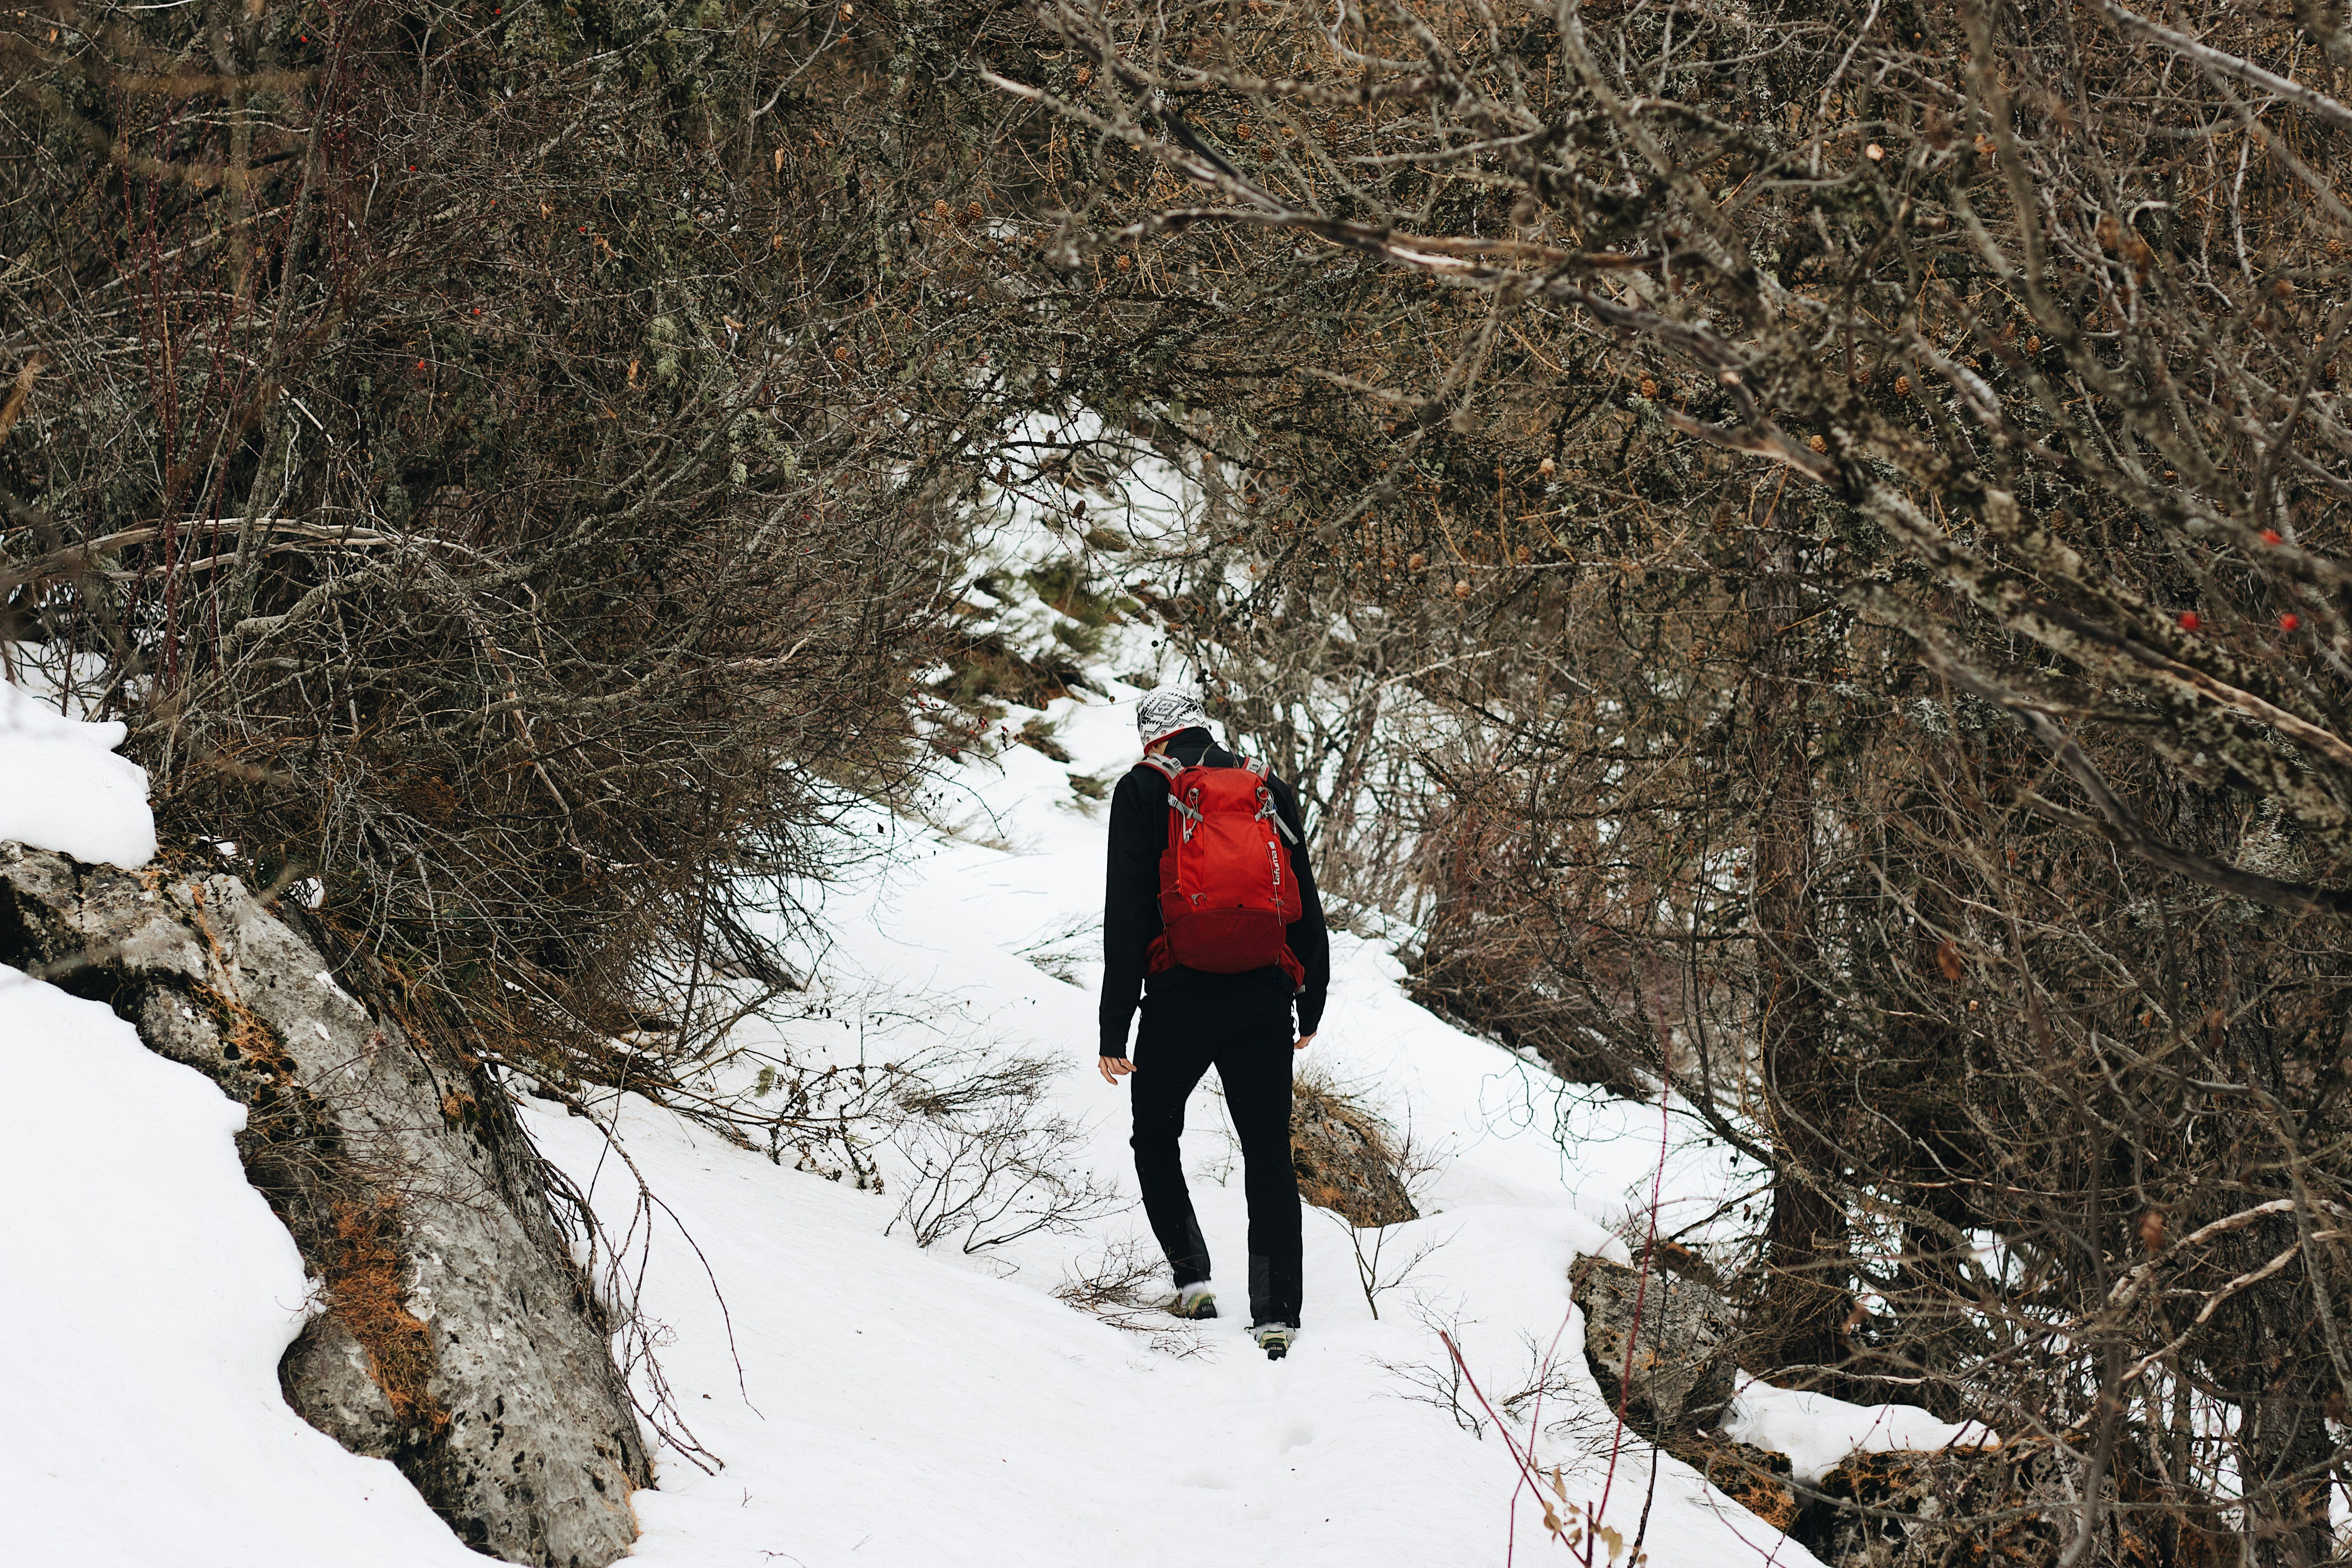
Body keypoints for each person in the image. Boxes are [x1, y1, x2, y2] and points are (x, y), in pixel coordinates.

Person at [1098, 687, 1329, 1359]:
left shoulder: (1144, 790)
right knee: (1267, 1153)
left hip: (1179, 995)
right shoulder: (1266, 786)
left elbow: (1127, 912)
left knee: (1155, 1134)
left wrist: (1115, 1026)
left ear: (1153, 737)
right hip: (1263, 995)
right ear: (1204, 725)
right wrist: (1310, 1000)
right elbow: (1304, 902)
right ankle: (1277, 1313)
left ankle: (1193, 1277)